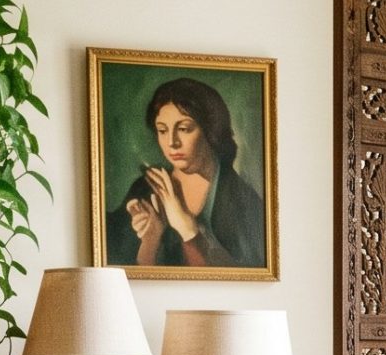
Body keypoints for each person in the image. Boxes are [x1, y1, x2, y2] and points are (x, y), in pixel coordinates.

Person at [106, 77, 269, 270]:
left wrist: (187, 228)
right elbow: (124, 278)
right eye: (162, 130)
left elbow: (245, 278)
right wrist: (150, 240)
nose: (172, 142)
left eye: (184, 129)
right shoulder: (144, 190)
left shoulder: (242, 201)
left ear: (211, 130)